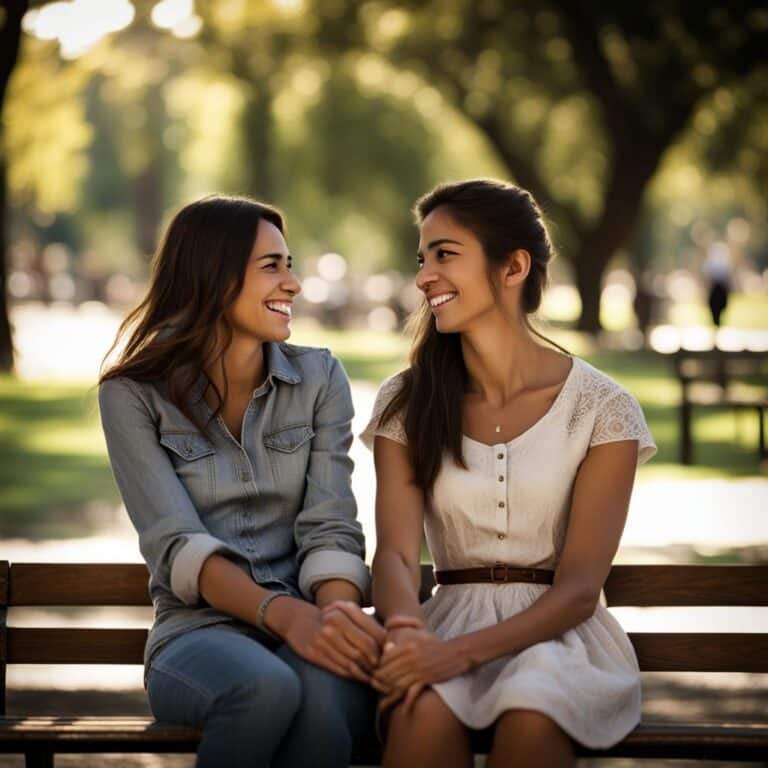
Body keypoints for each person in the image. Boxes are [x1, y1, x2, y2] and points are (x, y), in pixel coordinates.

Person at [361, 179, 657, 768]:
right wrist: (408, 636)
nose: (423, 277)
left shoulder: (603, 408)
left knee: (533, 709)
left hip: (560, 641)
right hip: (441, 626)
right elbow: (394, 555)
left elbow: (578, 591)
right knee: (420, 712)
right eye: (422, 259)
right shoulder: (406, 400)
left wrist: (458, 656)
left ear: (513, 266)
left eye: (445, 255)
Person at [98, 194, 382, 768]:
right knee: (265, 687)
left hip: (309, 617)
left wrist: (332, 617)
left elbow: (331, 526)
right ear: (213, 276)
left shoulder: (320, 377)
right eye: (272, 266)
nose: (294, 284)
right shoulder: (130, 394)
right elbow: (176, 543)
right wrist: (285, 617)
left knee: (323, 706)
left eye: (290, 263)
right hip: (195, 635)